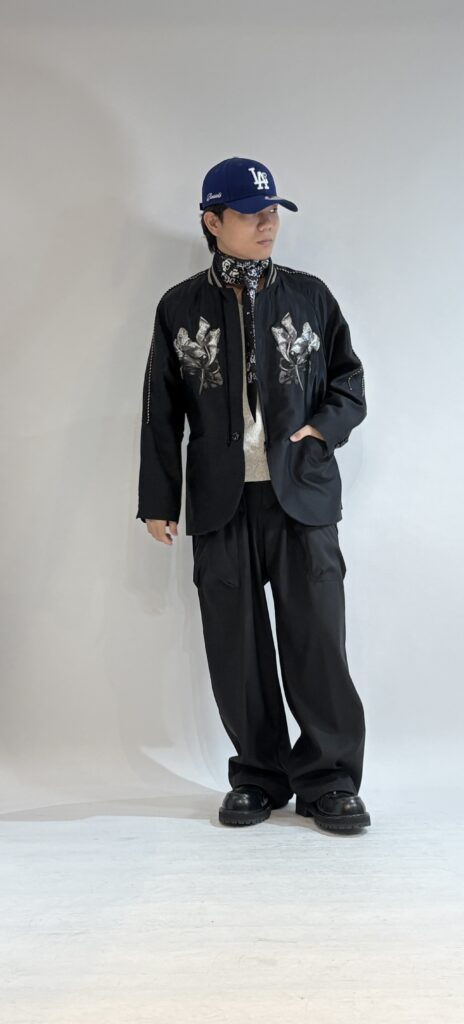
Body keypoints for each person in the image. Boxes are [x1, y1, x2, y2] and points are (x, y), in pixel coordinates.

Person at [136, 156, 370, 833]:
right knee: (235, 647)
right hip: (221, 501)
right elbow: (159, 410)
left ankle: (330, 779)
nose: (267, 223)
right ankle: (259, 777)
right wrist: (160, 500)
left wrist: (321, 430)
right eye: (250, 213)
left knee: (316, 639)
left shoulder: (309, 295)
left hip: (302, 496)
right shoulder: (180, 307)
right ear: (213, 222)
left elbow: (349, 382)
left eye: (272, 211)